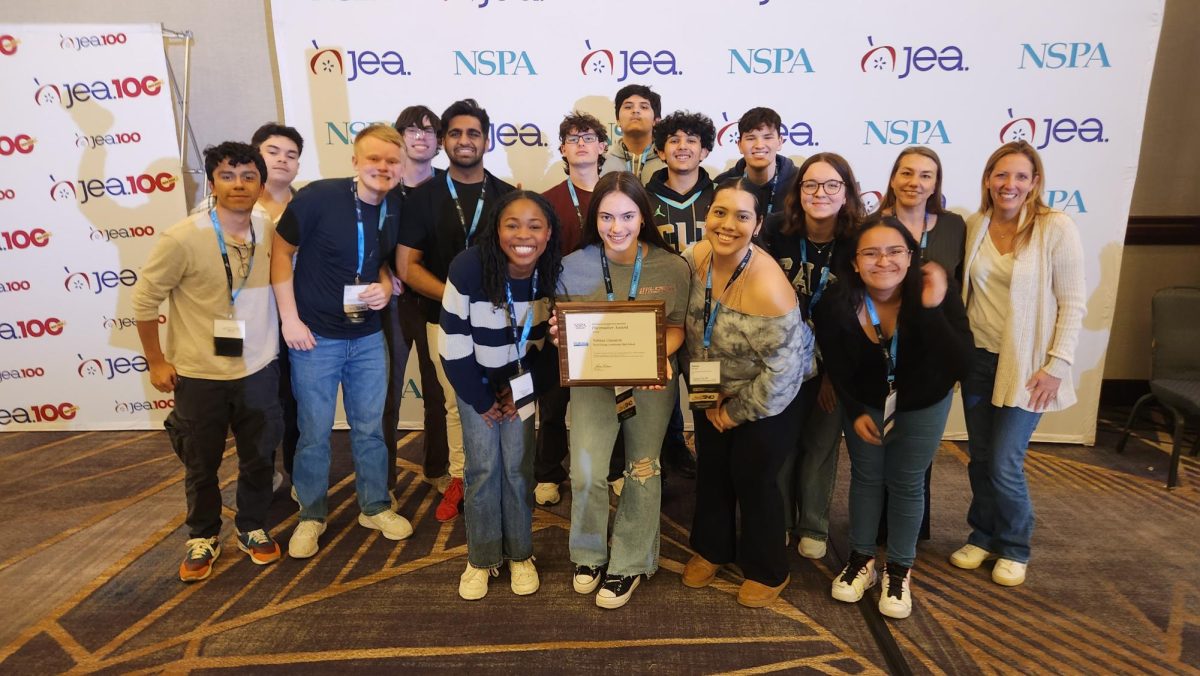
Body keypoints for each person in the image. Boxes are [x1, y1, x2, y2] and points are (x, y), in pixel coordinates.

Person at [132, 142, 282, 581]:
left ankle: (252, 526)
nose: (239, 185)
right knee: (201, 461)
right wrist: (156, 361)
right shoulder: (183, 237)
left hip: (258, 367)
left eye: (249, 176)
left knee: (258, 457)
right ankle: (202, 534)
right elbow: (144, 300)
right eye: (228, 176)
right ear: (212, 181)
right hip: (199, 373)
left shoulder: (267, 228)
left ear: (260, 182)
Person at [814, 219, 973, 619]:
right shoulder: (836, 302)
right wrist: (852, 410)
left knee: (906, 480)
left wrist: (933, 308)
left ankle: (900, 567)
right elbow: (838, 362)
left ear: (910, 256)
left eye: (895, 251)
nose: (883, 260)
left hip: (923, 400)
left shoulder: (935, 290)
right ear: (854, 262)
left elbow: (962, 362)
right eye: (870, 252)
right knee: (866, 476)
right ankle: (861, 559)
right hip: (867, 400)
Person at [272, 124, 413, 559]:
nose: (383, 168)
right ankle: (311, 515)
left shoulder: (398, 206)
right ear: (356, 161)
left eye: (392, 161)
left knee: (371, 428)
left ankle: (375, 505)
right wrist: (289, 320)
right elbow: (280, 253)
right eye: (374, 159)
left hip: (368, 336)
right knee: (314, 432)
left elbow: (384, 264)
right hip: (315, 337)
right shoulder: (318, 196)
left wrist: (386, 288)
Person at [951, 141, 1085, 587]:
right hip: (977, 362)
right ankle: (982, 534)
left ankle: (1014, 545)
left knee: (1005, 461)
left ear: (1035, 183)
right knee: (980, 458)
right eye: (1001, 175)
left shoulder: (1054, 227)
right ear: (988, 179)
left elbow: (1073, 303)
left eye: (1020, 176)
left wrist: (1057, 364)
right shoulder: (975, 224)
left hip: (1027, 368)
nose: (1010, 184)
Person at [557, 172, 690, 609]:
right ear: (594, 217)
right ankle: (589, 554)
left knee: (642, 469)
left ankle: (630, 563)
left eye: (628, 216)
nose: (617, 227)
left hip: (651, 383)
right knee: (588, 472)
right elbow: (564, 331)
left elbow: (676, 329)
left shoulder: (671, 266)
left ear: (643, 216)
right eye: (607, 216)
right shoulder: (572, 265)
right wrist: (561, 337)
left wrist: (653, 360)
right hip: (593, 384)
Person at [680, 178, 812, 608]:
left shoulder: (767, 285)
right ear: (707, 216)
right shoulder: (694, 258)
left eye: (742, 216)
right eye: (720, 212)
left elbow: (785, 371)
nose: (727, 224)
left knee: (753, 475)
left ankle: (768, 568)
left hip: (770, 391)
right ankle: (712, 548)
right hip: (709, 378)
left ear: (757, 226)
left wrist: (736, 412)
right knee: (713, 467)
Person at [397, 99, 516, 522]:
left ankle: (505, 472)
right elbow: (407, 267)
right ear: (443, 142)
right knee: (456, 400)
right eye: (455, 134)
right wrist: (456, 299)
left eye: (473, 133)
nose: (464, 141)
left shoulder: (507, 195)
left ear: (486, 140)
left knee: (506, 396)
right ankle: (461, 475)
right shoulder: (423, 196)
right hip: (441, 319)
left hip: (501, 320)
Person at [439, 190, 561, 600]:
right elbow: (453, 342)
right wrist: (481, 398)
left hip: (521, 386)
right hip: (475, 383)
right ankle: (482, 557)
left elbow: (549, 349)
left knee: (516, 469)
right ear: (496, 229)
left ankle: (520, 553)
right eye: (512, 224)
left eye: (534, 226)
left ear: (548, 234)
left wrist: (518, 391)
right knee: (483, 470)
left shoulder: (551, 272)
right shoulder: (469, 267)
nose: (522, 235)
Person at [761, 152, 863, 561]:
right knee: (781, 443)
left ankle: (814, 524)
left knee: (821, 444)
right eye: (811, 185)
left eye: (831, 185)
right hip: (780, 360)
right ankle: (781, 519)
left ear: (847, 192)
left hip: (836, 361)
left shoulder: (860, 241)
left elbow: (864, 317)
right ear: (797, 191)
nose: (820, 193)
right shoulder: (774, 231)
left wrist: (832, 377)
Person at [873, 146, 967, 544]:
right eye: (907, 173)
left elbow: (960, 286)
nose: (915, 182)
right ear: (893, 178)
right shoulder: (873, 225)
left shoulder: (954, 226)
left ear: (935, 183)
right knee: (880, 447)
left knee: (916, 451)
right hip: (882, 349)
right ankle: (875, 531)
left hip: (933, 350)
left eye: (925, 175)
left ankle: (910, 532)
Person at [533, 111, 609, 506]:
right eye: (572, 137)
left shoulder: (618, 193)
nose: (580, 142)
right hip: (560, 312)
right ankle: (547, 472)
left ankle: (613, 468)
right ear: (562, 149)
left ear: (602, 147)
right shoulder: (547, 201)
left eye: (588, 136)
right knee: (553, 398)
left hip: (611, 313)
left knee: (610, 396)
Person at [382, 105, 452, 496]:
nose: (421, 136)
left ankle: (437, 467)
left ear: (439, 141)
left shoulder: (448, 188)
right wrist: (383, 270)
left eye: (429, 131)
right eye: (412, 129)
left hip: (433, 300)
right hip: (389, 304)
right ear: (401, 136)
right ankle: (383, 481)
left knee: (439, 391)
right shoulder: (382, 186)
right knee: (386, 394)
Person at [249, 123, 303, 495]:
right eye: (273, 151)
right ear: (256, 155)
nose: (283, 160)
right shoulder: (227, 205)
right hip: (249, 325)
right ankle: (261, 475)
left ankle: (302, 479)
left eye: (291, 154)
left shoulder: (309, 205)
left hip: (298, 320)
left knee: (297, 404)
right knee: (257, 407)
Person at [646, 110, 716, 252]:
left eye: (691, 140)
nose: (682, 146)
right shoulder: (643, 199)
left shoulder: (721, 195)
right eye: (674, 140)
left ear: (704, 151)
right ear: (661, 152)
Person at [713, 107, 798, 216]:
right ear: (739, 145)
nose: (759, 145)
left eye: (767, 137)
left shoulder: (799, 182)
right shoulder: (723, 183)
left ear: (780, 142)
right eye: (751, 138)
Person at [601, 84, 665, 184]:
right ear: (618, 120)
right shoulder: (604, 164)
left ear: (656, 120)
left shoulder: (669, 162)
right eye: (628, 107)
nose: (635, 110)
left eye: (644, 107)